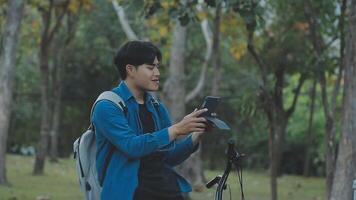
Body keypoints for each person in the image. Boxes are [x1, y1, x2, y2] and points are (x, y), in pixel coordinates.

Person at [93, 40, 209, 200]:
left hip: (166, 189)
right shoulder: (107, 106)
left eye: (157, 66)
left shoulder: (156, 107)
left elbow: (168, 157)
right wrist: (175, 130)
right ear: (130, 70)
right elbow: (131, 146)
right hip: (130, 193)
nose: (157, 73)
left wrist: (194, 136)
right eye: (150, 67)